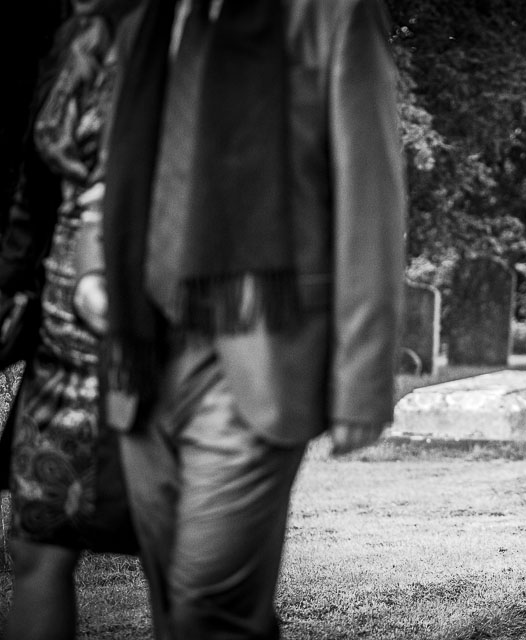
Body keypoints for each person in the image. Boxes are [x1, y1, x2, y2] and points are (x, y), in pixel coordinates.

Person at [95, 0, 406, 638]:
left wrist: (362, 379)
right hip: (142, 351)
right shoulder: (141, 24)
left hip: (261, 345)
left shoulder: (331, 14)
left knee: (207, 609)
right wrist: (89, 272)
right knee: (174, 606)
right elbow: (110, 166)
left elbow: (370, 192)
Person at [0, 1, 140, 638]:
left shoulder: (198, 44)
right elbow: (34, 194)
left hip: (160, 349)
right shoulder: (74, 40)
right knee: (36, 545)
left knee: (182, 564)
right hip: (60, 354)